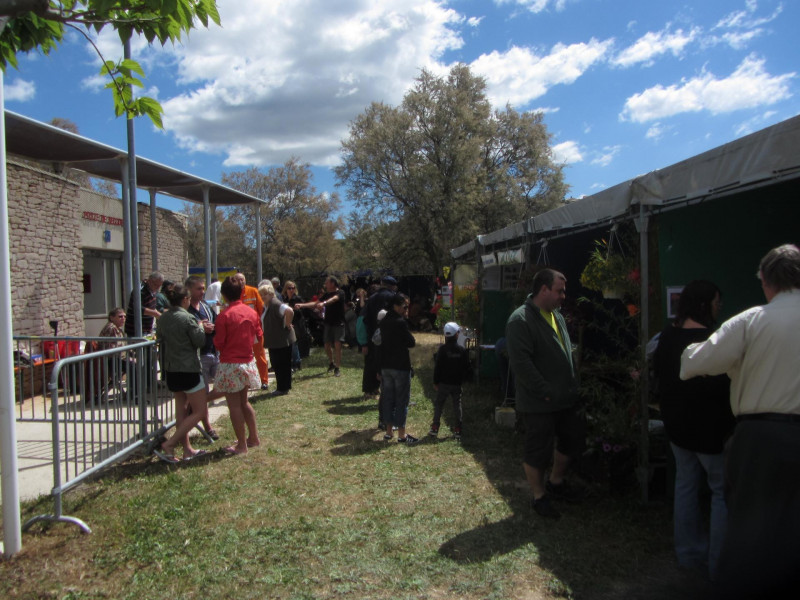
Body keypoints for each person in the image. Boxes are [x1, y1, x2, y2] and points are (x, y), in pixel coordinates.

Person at [680, 244, 800, 597]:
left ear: (765, 281)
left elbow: (694, 363)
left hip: (762, 438)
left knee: (753, 530)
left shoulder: (752, 321)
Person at [653, 280, 734, 581]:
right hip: (709, 431)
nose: (718, 308)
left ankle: (688, 554)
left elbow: (659, 376)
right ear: (703, 305)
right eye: (715, 303)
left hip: (677, 426)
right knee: (720, 492)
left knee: (686, 486)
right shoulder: (712, 339)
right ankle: (719, 563)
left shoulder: (668, 335)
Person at [505, 268, 583, 519]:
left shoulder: (556, 315)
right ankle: (539, 497)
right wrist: (545, 391)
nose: (563, 296)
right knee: (538, 450)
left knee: (571, 440)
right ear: (543, 290)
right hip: (540, 402)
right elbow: (522, 365)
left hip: (565, 397)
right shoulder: (521, 320)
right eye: (559, 291)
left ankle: (556, 482)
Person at [153, 284, 208, 463]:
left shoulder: (163, 318)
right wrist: (200, 327)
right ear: (185, 300)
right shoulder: (188, 318)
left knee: (181, 411)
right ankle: (170, 444)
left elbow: (160, 336)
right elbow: (199, 341)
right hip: (188, 369)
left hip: (171, 369)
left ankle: (187, 450)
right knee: (200, 411)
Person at [213, 276, 262, 455]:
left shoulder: (224, 316)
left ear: (224, 295)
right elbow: (258, 335)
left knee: (234, 405)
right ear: (241, 292)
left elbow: (219, 342)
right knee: (244, 402)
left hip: (230, 364)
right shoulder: (251, 312)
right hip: (247, 362)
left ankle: (241, 445)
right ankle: (253, 438)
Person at [376, 293, 418, 444]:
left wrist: (378, 368)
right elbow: (411, 342)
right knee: (401, 400)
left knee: (388, 399)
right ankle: (402, 435)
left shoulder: (384, 321)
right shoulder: (400, 322)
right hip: (400, 366)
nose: (406, 310)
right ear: (397, 306)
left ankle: (388, 432)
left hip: (386, 366)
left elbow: (379, 345)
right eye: (405, 307)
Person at [185, 275, 220, 440]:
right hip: (199, 356)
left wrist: (213, 327)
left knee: (224, 386)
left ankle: (194, 406)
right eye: (199, 288)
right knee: (203, 390)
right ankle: (208, 427)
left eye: (203, 288)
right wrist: (200, 327)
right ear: (189, 290)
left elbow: (215, 322)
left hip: (213, 352)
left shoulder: (205, 306)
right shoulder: (185, 310)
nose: (202, 291)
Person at [429, 321, 471, 440]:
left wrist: (435, 381)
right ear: (457, 334)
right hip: (456, 383)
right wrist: (464, 379)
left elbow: (438, 367)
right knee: (457, 405)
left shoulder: (442, 350)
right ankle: (458, 429)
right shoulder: (462, 350)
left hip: (443, 383)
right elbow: (466, 367)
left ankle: (435, 428)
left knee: (439, 405)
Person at [363, 276, 398, 412]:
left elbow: (365, 318)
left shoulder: (372, 298)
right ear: (392, 286)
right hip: (389, 335)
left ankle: (369, 389)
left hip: (374, 335)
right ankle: (387, 392)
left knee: (372, 361)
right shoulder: (394, 297)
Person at [232, 272, 269, 390]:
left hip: (255, 331)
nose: (241, 282)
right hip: (240, 334)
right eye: (238, 280)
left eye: (242, 279)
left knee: (260, 356)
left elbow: (262, 309)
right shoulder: (233, 294)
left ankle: (264, 381)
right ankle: (246, 382)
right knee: (243, 358)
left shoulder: (253, 291)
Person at [258, 281, 294, 396]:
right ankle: (284, 387)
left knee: (281, 364)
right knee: (278, 364)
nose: (263, 296)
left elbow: (289, 311)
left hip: (282, 340)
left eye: (265, 294)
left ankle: (282, 388)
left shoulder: (275, 303)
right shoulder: (267, 305)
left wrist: (287, 324)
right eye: (261, 294)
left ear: (271, 294)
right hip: (275, 341)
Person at [316, 275, 346, 377]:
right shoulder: (326, 294)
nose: (325, 284)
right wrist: (302, 305)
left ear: (333, 283)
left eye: (327, 282)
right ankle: (331, 363)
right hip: (328, 322)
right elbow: (316, 303)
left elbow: (334, 299)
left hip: (338, 322)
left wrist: (323, 303)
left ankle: (337, 368)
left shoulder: (340, 293)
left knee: (338, 344)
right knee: (326, 345)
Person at [283, 280, 308, 370]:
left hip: (296, 323)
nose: (291, 290)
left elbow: (304, 311)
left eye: (293, 288)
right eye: (289, 288)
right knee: (289, 343)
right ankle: (292, 361)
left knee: (294, 343)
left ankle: (296, 363)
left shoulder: (298, 299)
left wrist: (296, 309)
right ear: (286, 289)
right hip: (287, 322)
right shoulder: (284, 300)